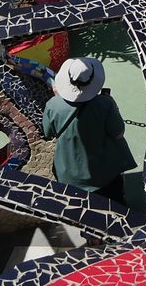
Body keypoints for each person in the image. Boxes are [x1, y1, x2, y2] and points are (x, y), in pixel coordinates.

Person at [42, 57, 136, 205]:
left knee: (84, 213)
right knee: (118, 206)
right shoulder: (105, 104)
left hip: (70, 174)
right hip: (106, 173)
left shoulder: (53, 105)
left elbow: (48, 133)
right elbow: (118, 132)